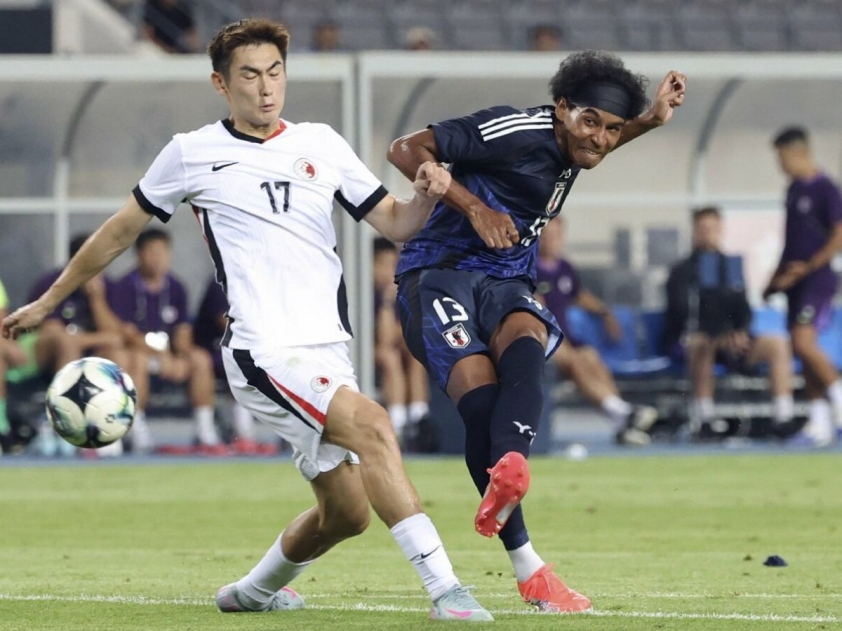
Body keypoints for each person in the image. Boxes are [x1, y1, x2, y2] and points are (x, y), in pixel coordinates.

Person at [2, 18, 491, 622]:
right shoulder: (191, 152)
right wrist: (50, 300)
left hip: (327, 348)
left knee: (347, 514)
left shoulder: (321, 143)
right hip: (263, 350)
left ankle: (252, 593)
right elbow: (119, 232)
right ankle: (448, 591)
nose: (266, 88)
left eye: (275, 73)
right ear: (221, 83)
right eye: (251, 75)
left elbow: (395, 223)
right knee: (373, 425)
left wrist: (427, 197)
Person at [388, 50, 686, 613]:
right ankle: (530, 566)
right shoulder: (514, 129)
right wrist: (474, 207)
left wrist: (648, 120)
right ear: (561, 108)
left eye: (612, 128)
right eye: (591, 121)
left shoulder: (579, 143)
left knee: (528, 340)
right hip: (440, 273)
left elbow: (594, 146)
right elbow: (405, 149)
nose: (600, 139)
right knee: (482, 407)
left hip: (506, 277)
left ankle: (511, 467)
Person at [663, 206, 795, 439]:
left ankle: (783, 417)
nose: (707, 234)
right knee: (700, 343)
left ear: (721, 230)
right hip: (700, 340)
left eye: (712, 228)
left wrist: (740, 331)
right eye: (702, 228)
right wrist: (719, 332)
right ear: (694, 231)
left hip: (732, 342)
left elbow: (742, 308)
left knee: (777, 344)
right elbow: (683, 312)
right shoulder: (682, 271)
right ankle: (704, 419)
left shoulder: (731, 267)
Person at [535, 217, 657, 446]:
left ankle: (621, 421)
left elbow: (578, 295)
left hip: (566, 340)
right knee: (575, 359)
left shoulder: (565, 267)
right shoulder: (529, 267)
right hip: (543, 339)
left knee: (590, 356)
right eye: (546, 235)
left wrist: (604, 312)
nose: (551, 240)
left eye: (556, 235)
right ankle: (623, 413)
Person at [110, 228, 226, 455]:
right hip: (139, 354)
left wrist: (180, 355)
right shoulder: (124, 286)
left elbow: (182, 331)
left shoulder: (176, 287)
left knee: (200, 359)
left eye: (162, 252)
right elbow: (127, 334)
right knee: (137, 360)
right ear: (139, 254)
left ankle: (205, 430)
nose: (158, 259)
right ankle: (136, 429)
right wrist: (161, 354)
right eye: (151, 252)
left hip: (167, 355)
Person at [764, 127, 842, 446]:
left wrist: (809, 267)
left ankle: (839, 398)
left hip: (817, 280)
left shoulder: (826, 188)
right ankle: (819, 421)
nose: (780, 165)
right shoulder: (793, 190)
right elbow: (790, 241)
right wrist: (775, 279)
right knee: (801, 349)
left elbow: (838, 235)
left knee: (803, 341)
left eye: (782, 158)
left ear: (797, 153)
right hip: (794, 283)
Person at [193, 275, 278, 455]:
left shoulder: (263, 283)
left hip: (247, 347)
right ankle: (207, 434)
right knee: (240, 357)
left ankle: (249, 433)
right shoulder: (221, 282)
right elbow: (227, 324)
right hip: (213, 351)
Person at [373, 237, 431, 449]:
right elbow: (384, 338)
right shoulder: (363, 292)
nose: (389, 272)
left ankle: (418, 419)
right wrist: (387, 303)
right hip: (364, 352)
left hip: (391, 349)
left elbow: (404, 332)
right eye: (383, 264)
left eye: (393, 265)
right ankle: (397, 426)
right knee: (390, 357)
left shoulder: (400, 292)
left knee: (414, 352)